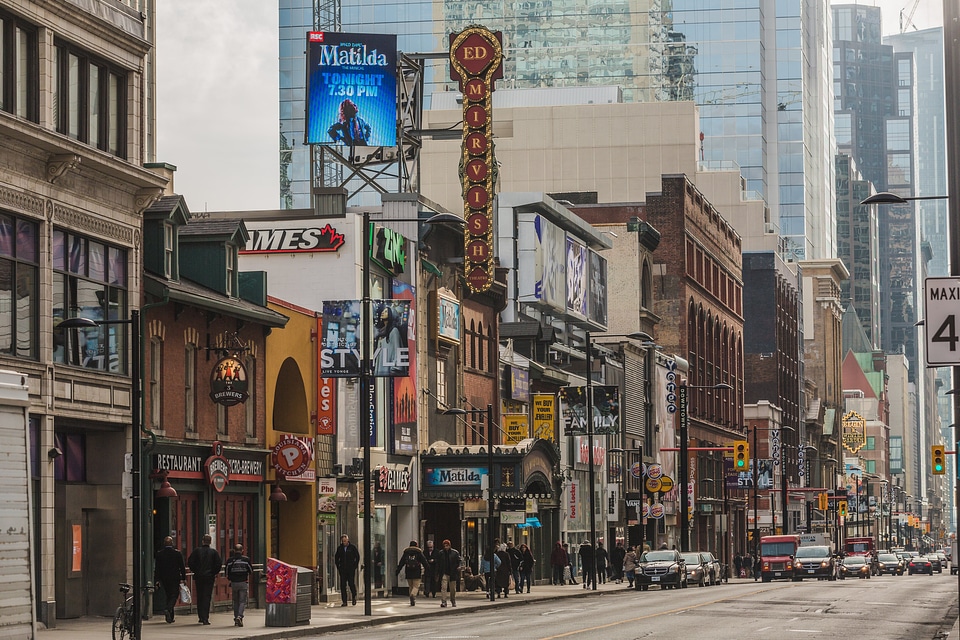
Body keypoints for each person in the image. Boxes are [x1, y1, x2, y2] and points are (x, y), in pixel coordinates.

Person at [187, 534, 222, 625]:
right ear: (210, 542)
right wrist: (213, 572)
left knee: (200, 596)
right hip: (209, 577)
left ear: (203, 541)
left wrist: (196, 570)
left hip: (199, 576)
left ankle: (201, 616)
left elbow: (190, 562)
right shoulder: (214, 552)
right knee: (207, 596)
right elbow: (218, 565)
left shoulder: (197, 551)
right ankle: (205, 617)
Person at [154, 536, 186, 624]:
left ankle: (170, 617)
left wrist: (157, 579)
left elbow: (157, 568)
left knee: (168, 595)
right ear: (172, 543)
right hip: (174, 577)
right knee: (174, 595)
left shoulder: (160, 554)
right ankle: (168, 609)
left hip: (164, 578)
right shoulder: (177, 554)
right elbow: (182, 567)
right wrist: (183, 578)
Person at [372, 303, 407, 376]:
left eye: (386, 311)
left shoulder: (394, 331)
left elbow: (397, 349)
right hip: (381, 368)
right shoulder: (381, 332)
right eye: (383, 311)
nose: (383, 313)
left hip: (389, 370)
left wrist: (395, 368)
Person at [225, 543, 252, 627]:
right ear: (242, 551)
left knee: (235, 601)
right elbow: (250, 571)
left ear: (234, 551)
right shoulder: (246, 560)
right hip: (243, 582)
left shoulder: (230, 561)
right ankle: (240, 616)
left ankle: (236, 617)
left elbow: (226, 572)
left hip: (234, 583)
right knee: (242, 601)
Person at [396, 540, 428, 606]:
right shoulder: (419, 552)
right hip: (416, 572)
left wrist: (397, 570)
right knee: (416, 586)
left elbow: (401, 562)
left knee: (410, 586)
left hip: (408, 572)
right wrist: (428, 569)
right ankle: (413, 595)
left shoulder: (406, 552)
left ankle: (411, 599)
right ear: (416, 545)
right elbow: (424, 562)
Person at [334, 534, 360, 607]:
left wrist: (354, 566)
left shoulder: (352, 548)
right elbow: (336, 558)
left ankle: (354, 597)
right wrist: (338, 566)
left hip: (350, 569)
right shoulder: (340, 548)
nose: (344, 542)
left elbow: (357, 557)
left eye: (345, 541)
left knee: (351, 583)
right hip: (343, 570)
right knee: (343, 585)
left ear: (348, 540)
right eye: (343, 541)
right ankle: (344, 601)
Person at [436, 539, 462, 608]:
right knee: (444, 588)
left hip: (452, 573)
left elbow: (459, 561)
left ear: (449, 545)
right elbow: (438, 563)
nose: (446, 547)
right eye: (444, 546)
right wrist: (438, 573)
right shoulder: (441, 553)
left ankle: (453, 600)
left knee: (452, 588)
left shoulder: (455, 553)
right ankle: (444, 601)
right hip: (444, 572)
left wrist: (459, 567)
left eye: (447, 545)